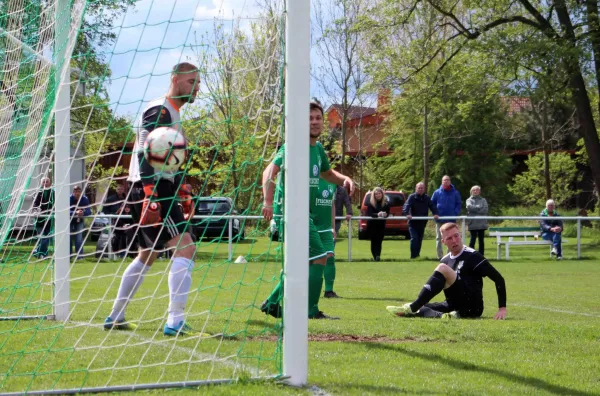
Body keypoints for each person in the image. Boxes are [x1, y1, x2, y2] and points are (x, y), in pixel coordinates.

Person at [104, 62, 203, 336]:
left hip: (156, 186)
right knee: (185, 247)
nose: (196, 87)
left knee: (147, 254)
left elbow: (165, 156)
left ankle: (115, 316)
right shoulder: (160, 109)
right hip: (153, 188)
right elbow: (146, 149)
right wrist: (151, 193)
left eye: (197, 82)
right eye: (190, 81)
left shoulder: (171, 113)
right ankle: (175, 321)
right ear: (174, 80)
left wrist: (181, 188)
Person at [260, 100, 355, 320]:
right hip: (290, 213)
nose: (314, 122)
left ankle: (273, 302)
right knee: (320, 256)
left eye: (318, 118)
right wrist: (267, 201)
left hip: (304, 214)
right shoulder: (293, 145)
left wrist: (345, 179)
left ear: (323, 122)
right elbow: (268, 173)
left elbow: (327, 174)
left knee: (301, 262)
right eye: (309, 118)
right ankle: (310, 310)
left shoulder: (318, 148)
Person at [386, 222, 507, 320]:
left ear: (460, 235)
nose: (454, 240)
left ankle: (413, 306)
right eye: (449, 238)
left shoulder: (473, 256)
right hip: (452, 305)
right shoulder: (445, 260)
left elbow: (499, 279)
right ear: (443, 242)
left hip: (473, 306)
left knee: (442, 269)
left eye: (456, 236)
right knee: (423, 307)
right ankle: (448, 316)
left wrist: (502, 308)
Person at [403, 182, 439, 259]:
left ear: (424, 189)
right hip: (413, 223)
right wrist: (407, 214)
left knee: (419, 239)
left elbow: (432, 206)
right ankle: (413, 256)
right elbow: (406, 206)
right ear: (416, 189)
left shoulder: (427, 198)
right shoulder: (412, 197)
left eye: (422, 188)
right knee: (414, 238)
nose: (420, 189)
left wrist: (435, 213)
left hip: (422, 223)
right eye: (419, 188)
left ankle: (417, 256)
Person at [431, 175, 462, 259]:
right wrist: (435, 213)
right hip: (439, 219)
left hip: (451, 219)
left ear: (450, 182)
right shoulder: (437, 192)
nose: (446, 181)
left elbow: (459, 204)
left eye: (447, 180)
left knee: (451, 238)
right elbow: (432, 204)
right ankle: (440, 257)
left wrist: (455, 213)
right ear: (442, 182)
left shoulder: (455, 193)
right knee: (439, 238)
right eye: (444, 180)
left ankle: (450, 256)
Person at [32, 177, 55, 258]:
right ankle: (41, 253)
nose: (45, 183)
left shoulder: (53, 193)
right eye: (44, 182)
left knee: (46, 237)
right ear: (41, 183)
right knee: (43, 237)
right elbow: (35, 204)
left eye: (47, 182)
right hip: (39, 220)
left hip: (49, 219)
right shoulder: (38, 193)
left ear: (50, 183)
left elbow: (55, 204)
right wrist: (36, 210)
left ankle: (39, 253)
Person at [366, 187, 390, 262]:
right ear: (374, 195)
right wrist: (378, 214)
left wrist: (385, 214)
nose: (378, 195)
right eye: (376, 194)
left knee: (379, 241)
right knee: (373, 241)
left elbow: (387, 213)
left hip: (381, 225)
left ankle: (378, 256)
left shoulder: (386, 203)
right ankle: (375, 256)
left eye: (379, 193)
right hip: (372, 225)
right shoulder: (371, 203)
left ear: (382, 194)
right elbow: (370, 214)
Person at [70, 185, 92, 259]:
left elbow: (89, 211)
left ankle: (80, 256)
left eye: (79, 191)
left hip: (79, 221)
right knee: (68, 238)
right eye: (76, 191)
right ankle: (69, 255)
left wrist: (82, 213)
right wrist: (75, 212)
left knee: (79, 238)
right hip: (69, 221)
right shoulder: (69, 199)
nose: (77, 193)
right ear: (73, 192)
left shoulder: (85, 199)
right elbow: (65, 210)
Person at [466, 185, 488, 255]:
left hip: (482, 223)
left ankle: (481, 255)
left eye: (477, 190)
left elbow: (485, 210)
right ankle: (470, 255)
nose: (475, 191)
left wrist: (475, 210)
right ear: (471, 191)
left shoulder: (483, 200)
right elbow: (469, 207)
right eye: (474, 190)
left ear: (479, 192)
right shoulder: (468, 200)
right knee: (473, 239)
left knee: (481, 240)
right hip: (472, 223)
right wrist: (479, 207)